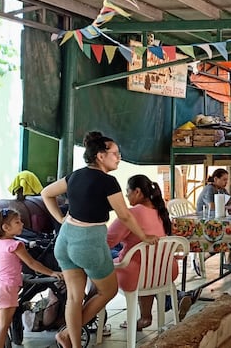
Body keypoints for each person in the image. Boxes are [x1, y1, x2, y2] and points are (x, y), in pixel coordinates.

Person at [41, 131, 159, 348]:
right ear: (100, 156)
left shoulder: (74, 176)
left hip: (65, 241)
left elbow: (46, 193)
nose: (119, 157)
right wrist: (144, 236)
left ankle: (72, 342)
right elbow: (124, 215)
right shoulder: (108, 182)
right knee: (108, 290)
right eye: (115, 153)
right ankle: (67, 334)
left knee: (75, 298)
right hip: (88, 243)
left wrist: (60, 218)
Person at [106, 174, 192, 329]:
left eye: (128, 191)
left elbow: (107, 241)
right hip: (165, 271)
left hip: (137, 275)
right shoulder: (160, 211)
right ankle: (145, 317)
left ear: (137, 192)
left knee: (103, 261)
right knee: (139, 257)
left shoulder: (131, 214)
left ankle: (94, 321)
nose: (126, 195)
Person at [0, 208, 62, 348]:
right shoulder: (15, 245)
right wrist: (51, 272)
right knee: (3, 326)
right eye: (17, 222)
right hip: (9, 288)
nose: (22, 224)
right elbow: (32, 263)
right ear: (6, 227)